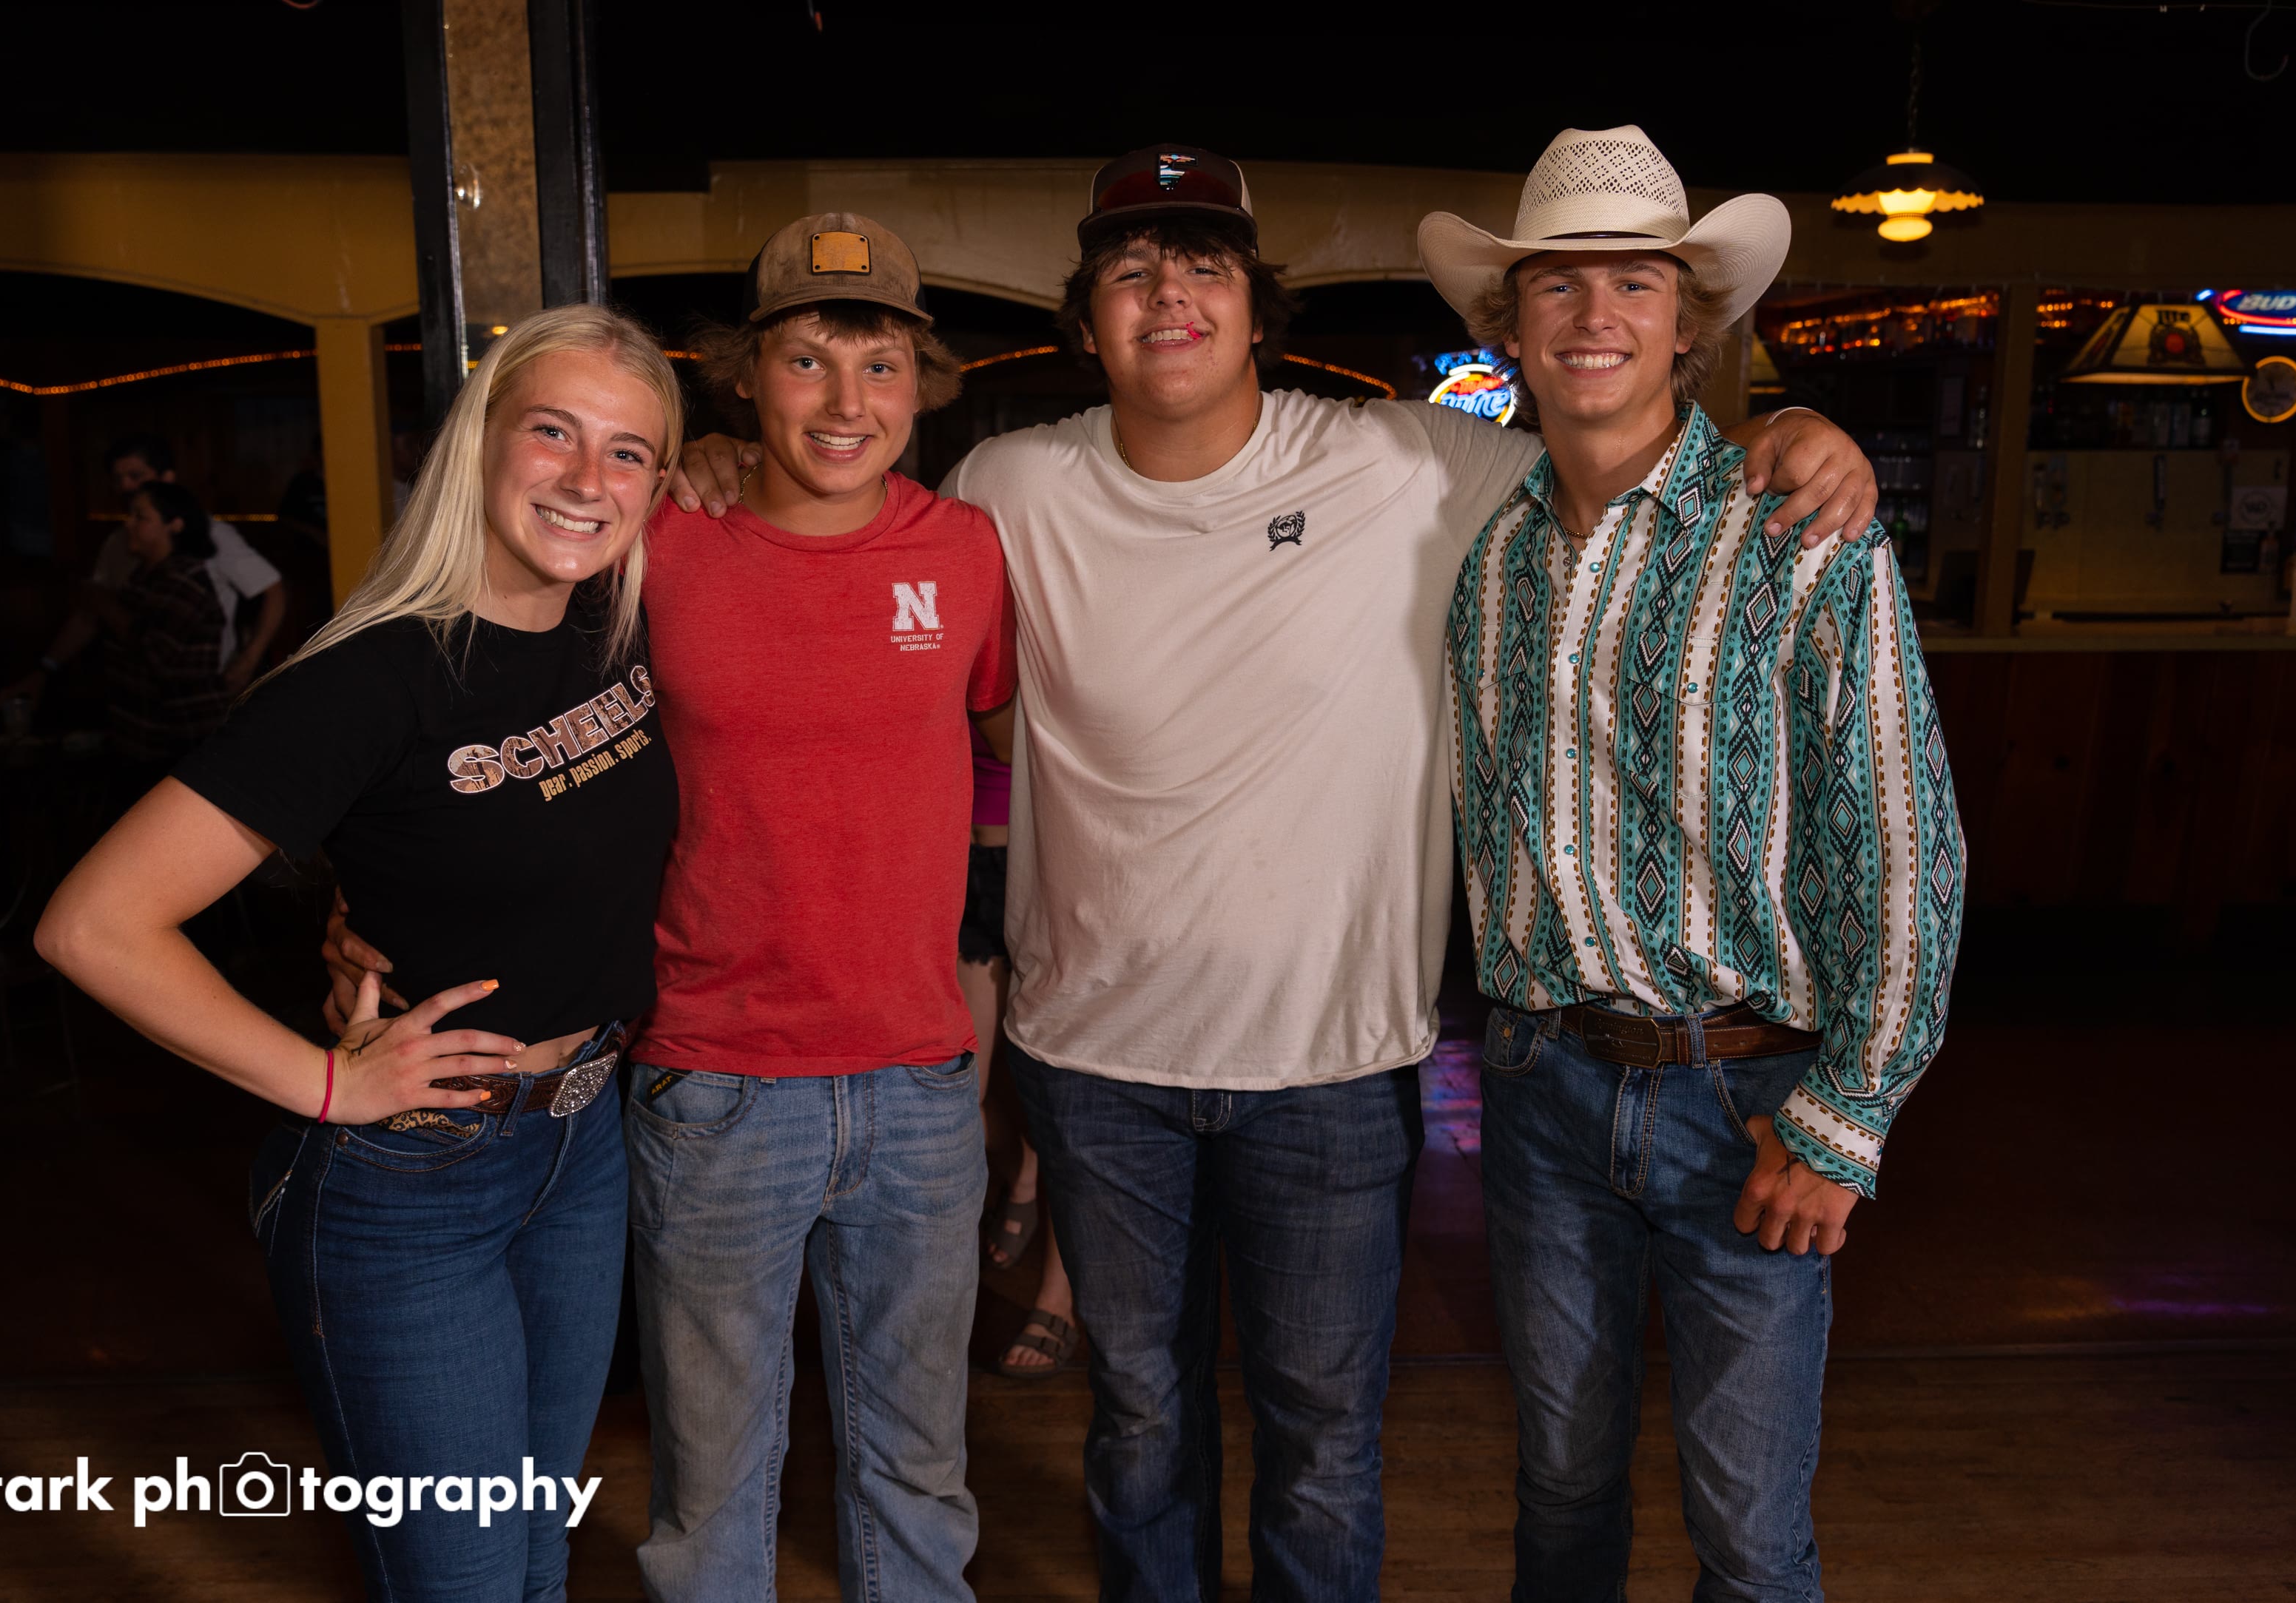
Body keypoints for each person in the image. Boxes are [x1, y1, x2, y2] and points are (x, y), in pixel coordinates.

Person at [667, 146, 1881, 1602]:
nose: (1167, 294)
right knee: (1140, 1424)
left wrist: (1786, 425)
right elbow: (851, 547)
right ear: (1086, 319)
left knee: (1321, 1440)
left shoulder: (1408, 463)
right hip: (1094, 1064)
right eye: (1130, 270)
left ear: (1258, 309)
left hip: (1333, 1071)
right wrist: (716, 468)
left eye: (1203, 266)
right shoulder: (1007, 487)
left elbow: (1622, 444)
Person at [328, 215, 1015, 1601]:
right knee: (713, 1482)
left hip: (921, 1082)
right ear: (743, 377)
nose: (846, 400)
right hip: (714, 1080)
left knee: (919, 1469)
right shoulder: (654, 542)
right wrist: (366, 890)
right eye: (807, 359)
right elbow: (487, 712)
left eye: (880, 365)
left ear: (921, 387)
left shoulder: (967, 549)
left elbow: (1001, 753)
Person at [36, 304, 684, 1603]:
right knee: (463, 1584)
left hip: (581, 1145)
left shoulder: (612, 623)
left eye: (627, 451)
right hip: (413, 1186)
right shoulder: (369, 679)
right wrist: (326, 1082)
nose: (585, 477)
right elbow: (92, 923)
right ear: (478, 443)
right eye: (551, 432)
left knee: (535, 1558)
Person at [1425, 125, 1965, 1602]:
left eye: (1635, 283)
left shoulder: (1800, 528)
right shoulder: (1485, 552)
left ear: (1688, 324)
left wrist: (1848, 1115)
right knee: (1559, 1489)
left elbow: (1898, 837)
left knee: (1746, 1527)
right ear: (1510, 327)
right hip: (1539, 1083)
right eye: (1557, 284)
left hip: (1748, 1096)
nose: (1593, 314)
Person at [0, 433, 287, 715]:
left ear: (167, 478)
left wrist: (248, 661)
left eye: (136, 476)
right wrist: (45, 669)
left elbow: (271, 588)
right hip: (137, 703)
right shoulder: (120, 541)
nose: (126, 486)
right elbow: (92, 613)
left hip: (193, 700)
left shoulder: (209, 540)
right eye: (118, 479)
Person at [965, 720, 1080, 1378]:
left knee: (1066, 1102)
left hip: (1051, 858)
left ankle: (1057, 1297)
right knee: (957, 1097)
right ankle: (1023, 1169)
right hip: (959, 855)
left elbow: (1008, 739)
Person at [84, 480, 232, 779]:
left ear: (174, 524)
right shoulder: (146, 575)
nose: (129, 524)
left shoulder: (184, 581)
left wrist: (104, 603)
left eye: (141, 517)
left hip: (178, 744)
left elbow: (155, 655)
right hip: (143, 740)